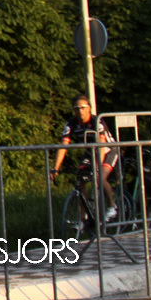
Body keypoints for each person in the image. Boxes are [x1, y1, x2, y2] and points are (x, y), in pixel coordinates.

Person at [51, 93, 119, 228]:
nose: (80, 111)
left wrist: (97, 166)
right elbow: (63, 146)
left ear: (89, 108)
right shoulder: (71, 124)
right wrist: (56, 168)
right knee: (80, 179)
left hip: (108, 150)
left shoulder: (96, 121)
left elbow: (101, 146)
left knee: (99, 177)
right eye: (77, 108)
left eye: (83, 108)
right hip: (90, 152)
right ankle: (83, 219)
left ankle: (112, 206)